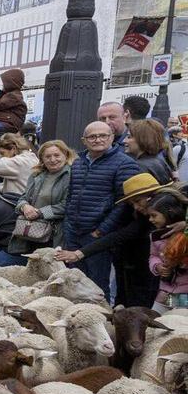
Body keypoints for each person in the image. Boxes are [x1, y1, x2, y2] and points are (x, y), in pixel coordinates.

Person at [55, 121, 142, 297]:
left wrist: (102, 230)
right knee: (74, 281)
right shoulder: (78, 162)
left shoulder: (124, 163)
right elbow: (71, 195)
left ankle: (99, 319)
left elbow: (124, 202)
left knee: (97, 285)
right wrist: (68, 223)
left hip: (97, 235)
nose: (98, 140)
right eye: (92, 136)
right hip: (73, 231)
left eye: (103, 135)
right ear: (84, 140)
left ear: (112, 138)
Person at [0, 140, 76, 266]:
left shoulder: (72, 176)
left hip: (54, 236)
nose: (52, 159)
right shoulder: (36, 175)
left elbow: (67, 205)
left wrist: (40, 213)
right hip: (27, 234)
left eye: (56, 155)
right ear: (42, 159)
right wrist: (24, 206)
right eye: (48, 156)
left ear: (65, 155)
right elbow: (23, 197)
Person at [147, 191, 188, 312]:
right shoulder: (156, 236)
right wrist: (157, 266)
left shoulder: (185, 235)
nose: (150, 219)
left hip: (185, 296)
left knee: (181, 324)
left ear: (169, 213)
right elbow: (153, 255)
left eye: (154, 215)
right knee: (156, 323)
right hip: (165, 294)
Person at [124, 119, 175, 184]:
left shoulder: (139, 167)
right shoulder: (159, 160)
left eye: (129, 137)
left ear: (143, 139)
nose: (124, 141)